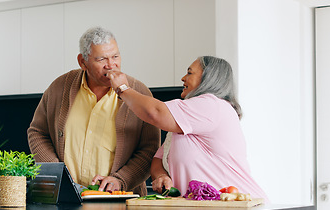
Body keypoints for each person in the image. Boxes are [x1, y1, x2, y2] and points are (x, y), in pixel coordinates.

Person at [107, 56, 269, 201]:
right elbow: (159, 159)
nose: (183, 78)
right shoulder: (185, 122)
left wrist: (123, 89)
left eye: (190, 73)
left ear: (208, 78)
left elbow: (155, 112)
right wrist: (162, 176)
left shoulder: (212, 105)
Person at [27, 26, 160, 196]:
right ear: (83, 62)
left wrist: (121, 180)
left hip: (120, 201)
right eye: (101, 59)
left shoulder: (139, 92)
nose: (111, 65)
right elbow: (37, 132)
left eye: (115, 56)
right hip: (66, 198)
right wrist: (56, 173)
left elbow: (150, 149)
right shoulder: (59, 88)